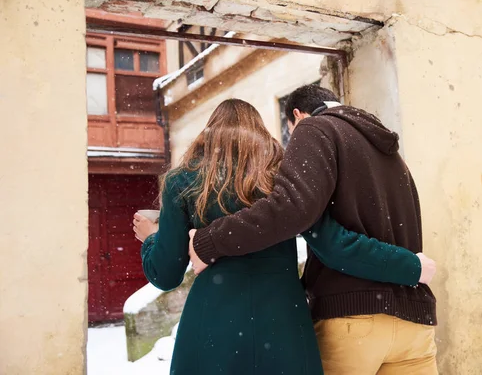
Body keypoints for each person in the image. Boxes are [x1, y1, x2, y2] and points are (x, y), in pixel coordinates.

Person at [133, 98, 435, 375]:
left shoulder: (182, 182)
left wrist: (151, 239)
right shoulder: (282, 181)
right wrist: (409, 266)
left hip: (212, 322)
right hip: (284, 323)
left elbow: (166, 273)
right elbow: (331, 243)